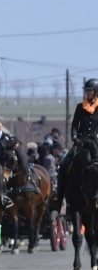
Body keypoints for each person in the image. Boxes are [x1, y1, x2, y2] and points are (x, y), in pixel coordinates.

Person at [54, 78, 98, 210]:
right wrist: (74, 136)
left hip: (96, 142)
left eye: (89, 91)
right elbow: (74, 125)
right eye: (86, 91)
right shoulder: (80, 107)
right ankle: (59, 197)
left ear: (96, 92)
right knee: (64, 164)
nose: (87, 93)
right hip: (81, 142)